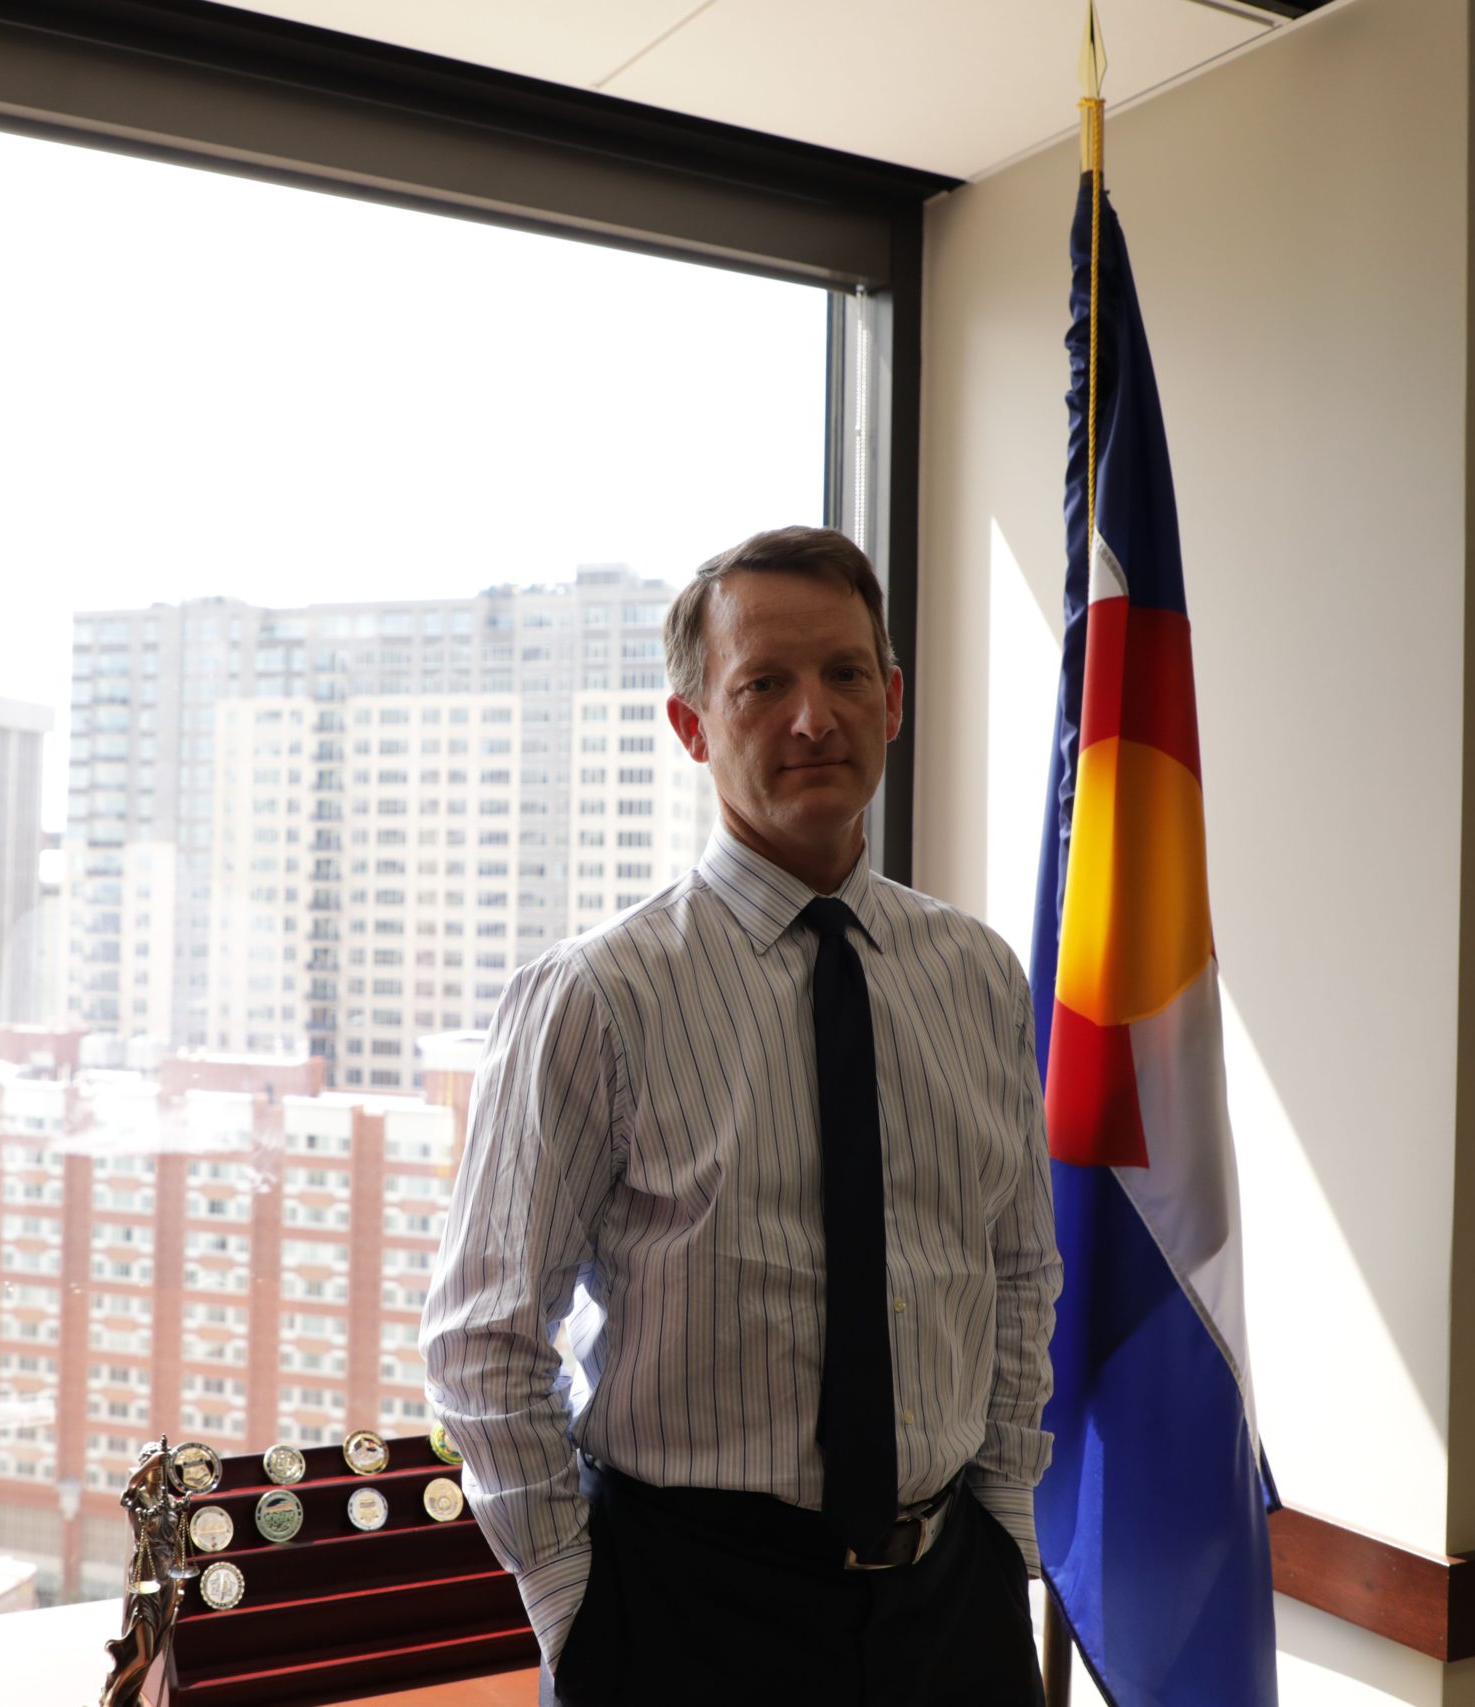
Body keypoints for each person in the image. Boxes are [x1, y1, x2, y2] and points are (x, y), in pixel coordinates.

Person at [420, 526, 1060, 1706]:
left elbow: (1018, 1273)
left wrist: (1004, 1535)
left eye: (846, 675)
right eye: (763, 684)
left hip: (951, 1610)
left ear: (894, 700)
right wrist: (580, 1612)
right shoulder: (596, 998)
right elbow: (483, 1342)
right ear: (692, 726)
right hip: (684, 1618)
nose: (813, 717)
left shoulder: (976, 974)